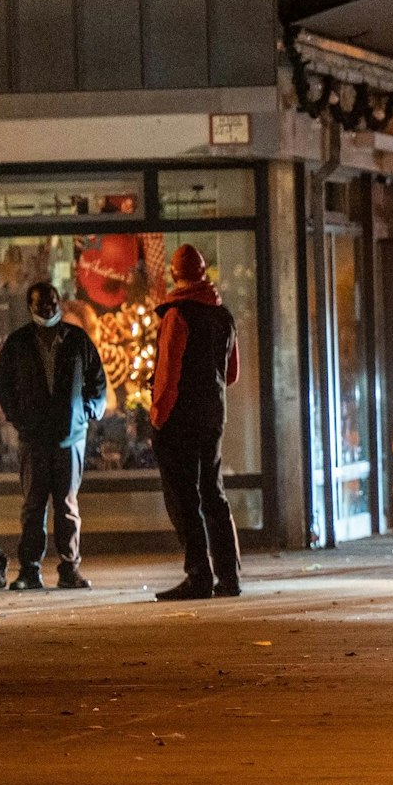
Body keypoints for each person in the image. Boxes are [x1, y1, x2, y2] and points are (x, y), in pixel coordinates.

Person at [0, 281, 107, 591]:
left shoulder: (77, 339)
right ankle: (30, 570)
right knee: (33, 506)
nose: (48, 309)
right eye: (42, 305)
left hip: (71, 435)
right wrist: (18, 418)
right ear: (31, 306)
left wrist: (88, 411)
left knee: (67, 506)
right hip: (34, 437)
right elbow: (1, 384)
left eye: (53, 303)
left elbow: (98, 381)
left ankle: (70, 569)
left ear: (60, 303)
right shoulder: (18, 343)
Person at [151, 244, 243, 601]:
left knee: (183, 498)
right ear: (204, 272)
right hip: (212, 416)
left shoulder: (178, 315)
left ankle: (198, 575)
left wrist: (158, 418)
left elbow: (168, 374)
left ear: (176, 274)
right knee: (213, 493)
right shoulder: (224, 316)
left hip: (179, 419)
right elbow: (231, 374)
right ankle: (229, 576)